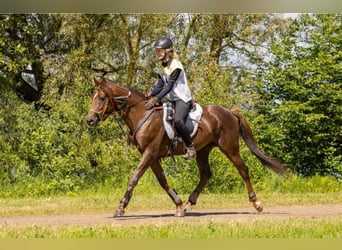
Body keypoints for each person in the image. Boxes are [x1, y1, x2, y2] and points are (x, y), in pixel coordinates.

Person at [145, 36, 196, 160]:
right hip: (171, 99)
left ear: (167, 51)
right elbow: (160, 86)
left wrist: (156, 99)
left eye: (159, 51)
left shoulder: (176, 66)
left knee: (178, 120)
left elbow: (168, 87)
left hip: (182, 99)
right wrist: (150, 94)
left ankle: (190, 147)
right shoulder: (162, 67)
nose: (157, 53)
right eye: (156, 51)